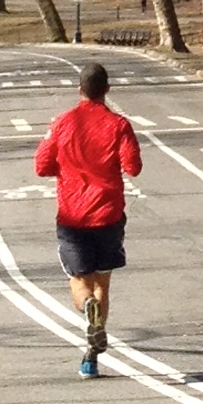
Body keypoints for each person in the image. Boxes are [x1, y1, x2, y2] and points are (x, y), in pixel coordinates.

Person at [35, 61, 141, 377]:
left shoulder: (62, 123)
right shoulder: (119, 125)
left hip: (73, 216)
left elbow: (41, 165)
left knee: (79, 280)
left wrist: (67, 168)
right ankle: (91, 356)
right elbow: (133, 167)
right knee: (102, 283)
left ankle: (86, 307)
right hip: (108, 214)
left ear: (80, 89)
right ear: (107, 90)